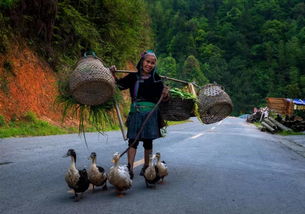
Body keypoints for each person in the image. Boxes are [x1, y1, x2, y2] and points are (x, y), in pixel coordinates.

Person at [110, 50, 169, 179]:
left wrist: (165, 93)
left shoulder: (157, 79)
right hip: (136, 112)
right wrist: (112, 74)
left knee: (148, 141)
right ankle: (129, 168)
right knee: (133, 140)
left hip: (151, 114)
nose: (149, 65)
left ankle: (147, 167)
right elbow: (119, 85)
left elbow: (163, 98)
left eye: (152, 63)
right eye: (148, 61)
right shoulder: (133, 77)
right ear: (142, 61)